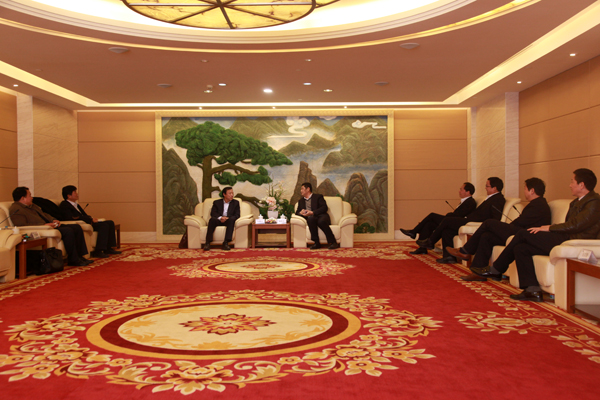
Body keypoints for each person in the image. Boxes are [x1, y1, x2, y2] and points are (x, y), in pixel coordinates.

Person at [473, 168, 600, 302]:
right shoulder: (577, 202)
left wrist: (549, 228)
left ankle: (497, 268)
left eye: (572, 181)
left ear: (581, 184)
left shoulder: (594, 202)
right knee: (521, 248)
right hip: (565, 237)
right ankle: (532, 290)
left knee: (523, 233)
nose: (570, 185)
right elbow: (570, 224)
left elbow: (576, 225)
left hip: (573, 241)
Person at [446, 178, 551, 281]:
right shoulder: (536, 203)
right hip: (520, 231)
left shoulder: (539, 205)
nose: (524, 191)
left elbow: (521, 222)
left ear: (532, 191)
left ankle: (465, 251)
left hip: (524, 234)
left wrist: (505, 227)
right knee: (487, 236)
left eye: (525, 189)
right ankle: (478, 272)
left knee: (489, 223)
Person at [416, 177, 506, 263]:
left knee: (447, 220)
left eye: (487, 186)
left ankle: (431, 241)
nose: (485, 188)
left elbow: (495, 218)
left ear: (494, 188)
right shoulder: (491, 198)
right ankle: (449, 257)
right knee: (447, 231)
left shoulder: (498, 199)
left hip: (473, 222)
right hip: (469, 220)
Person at [9, 187, 93, 267]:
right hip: (43, 228)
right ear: (23, 198)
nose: (32, 198)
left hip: (50, 226)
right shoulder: (16, 209)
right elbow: (22, 225)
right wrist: (43, 226)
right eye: (29, 195)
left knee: (76, 227)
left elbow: (44, 214)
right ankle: (73, 260)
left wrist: (53, 220)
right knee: (68, 230)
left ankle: (80, 257)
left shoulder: (33, 205)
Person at [401, 182, 476, 255]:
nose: (459, 191)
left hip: (452, 222)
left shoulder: (471, 202)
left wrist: (449, 214)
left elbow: (459, 215)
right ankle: (422, 248)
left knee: (432, 215)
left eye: (461, 189)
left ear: (468, 192)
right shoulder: (464, 202)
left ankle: (414, 232)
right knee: (429, 224)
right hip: (450, 220)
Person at [59, 185, 121, 258]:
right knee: (104, 226)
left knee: (110, 222)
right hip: (82, 224)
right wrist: (90, 220)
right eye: (75, 192)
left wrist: (91, 218)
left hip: (87, 222)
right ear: (69, 195)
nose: (77, 194)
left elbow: (83, 215)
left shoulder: (76, 204)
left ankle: (108, 248)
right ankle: (98, 251)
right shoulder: (64, 205)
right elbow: (71, 218)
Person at [295, 182, 339, 249]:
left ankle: (333, 242)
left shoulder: (318, 197)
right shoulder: (301, 201)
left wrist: (313, 212)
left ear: (308, 189)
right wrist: (300, 213)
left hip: (321, 216)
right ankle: (316, 243)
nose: (301, 191)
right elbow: (297, 212)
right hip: (311, 219)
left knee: (321, 222)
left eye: (302, 189)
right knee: (310, 219)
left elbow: (324, 208)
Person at [204, 187, 240, 251]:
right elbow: (213, 213)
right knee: (212, 220)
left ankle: (226, 243)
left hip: (228, 220)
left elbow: (237, 215)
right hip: (219, 220)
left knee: (232, 220)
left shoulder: (236, 203)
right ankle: (207, 243)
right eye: (229, 193)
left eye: (232, 193)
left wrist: (227, 218)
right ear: (224, 194)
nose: (232, 195)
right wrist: (220, 217)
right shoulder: (217, 202)